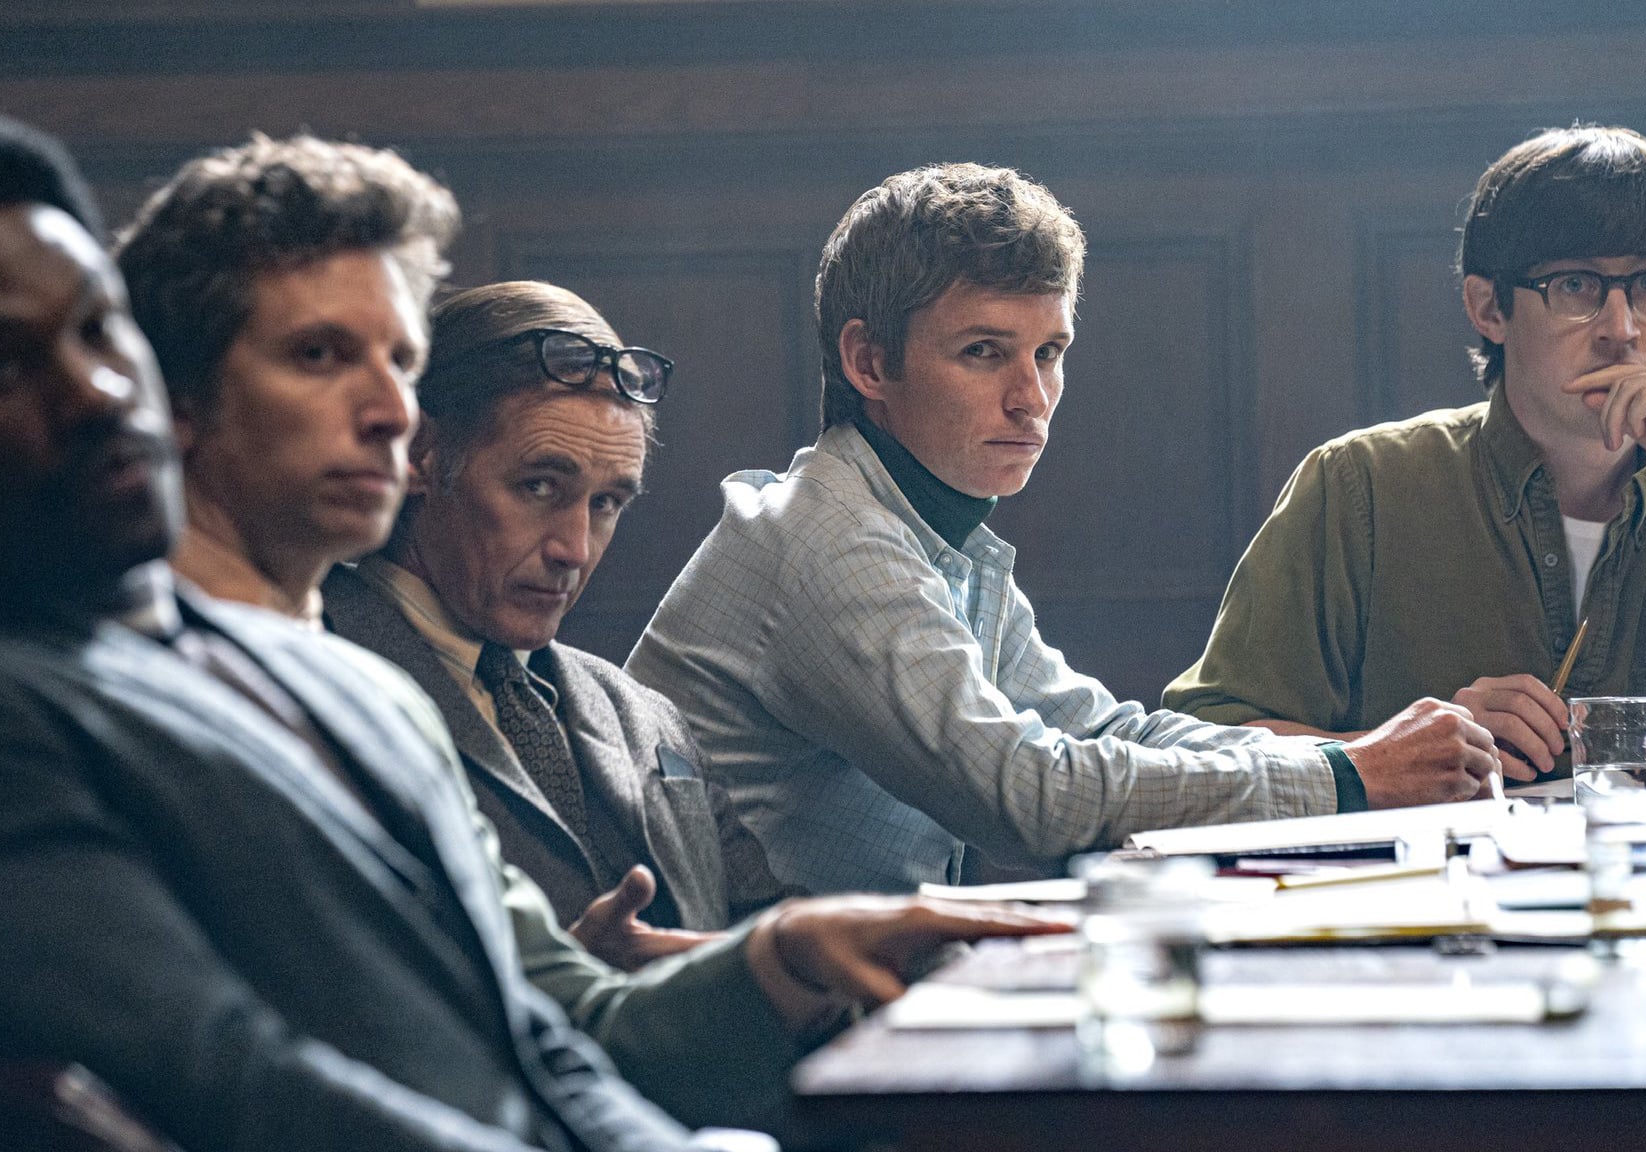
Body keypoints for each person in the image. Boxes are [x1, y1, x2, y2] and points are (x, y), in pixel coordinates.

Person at [0, 106, 1063, 1151]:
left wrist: (771, 979)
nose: (95, 391)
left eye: (99, 334)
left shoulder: (340, 685)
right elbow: (231, 1081)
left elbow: (551, 1042)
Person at [627, 162, 1500, 896]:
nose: (1031, 398)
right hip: (748, 1023)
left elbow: (1107, 731)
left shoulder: (931, 534)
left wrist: (1359, 758)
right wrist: (1347, 778)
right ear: (869, 361)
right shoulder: (829, 540)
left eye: (1048, 353)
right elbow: (1028, 796)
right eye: (983, 352)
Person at [1165, 125, 1646, 778]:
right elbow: (1208, 742)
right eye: (1576, 285)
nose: (1620, 329)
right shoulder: (1359, 487)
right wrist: (1397, 750)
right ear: (1489, 308)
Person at [320, 281, 784, 957]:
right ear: (421, 457)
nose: (575, 549)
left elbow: (772, 935)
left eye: (606, 503)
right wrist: (573, 986)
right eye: (539, 487)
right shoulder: (311, 688)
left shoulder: (645, 714)